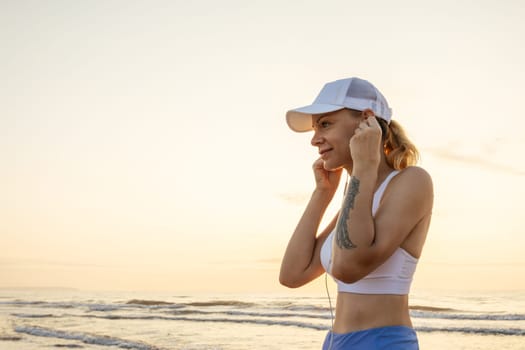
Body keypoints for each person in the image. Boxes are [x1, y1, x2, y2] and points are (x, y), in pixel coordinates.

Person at [279, 77, 433, 350]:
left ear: (366, 121)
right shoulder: (356, 202)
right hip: (335, 342)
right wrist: (322, 194)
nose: (315, 139)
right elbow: (293, 274)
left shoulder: (412, 181)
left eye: (325, 124)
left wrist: (365, 166)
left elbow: (349, 268)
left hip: (382, 343)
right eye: (315, 128)